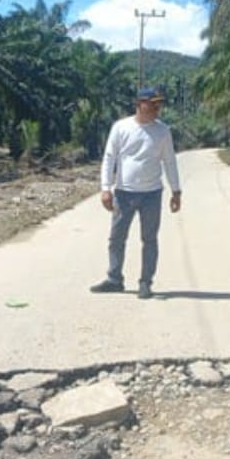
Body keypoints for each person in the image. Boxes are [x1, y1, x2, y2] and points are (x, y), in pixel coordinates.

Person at [90, 85, 182, 300]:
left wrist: (176, 191)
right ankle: (114, 279)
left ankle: (145, 282)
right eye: (152, 105)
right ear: (140, 104)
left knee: (149, 239)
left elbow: (169, 161)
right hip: (124, 193)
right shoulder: (121, 127)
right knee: (116, 237)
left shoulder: (163, 131)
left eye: (159, 105)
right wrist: (106, 188)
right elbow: (109, 158)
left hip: (152, 194)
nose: (157, 109)